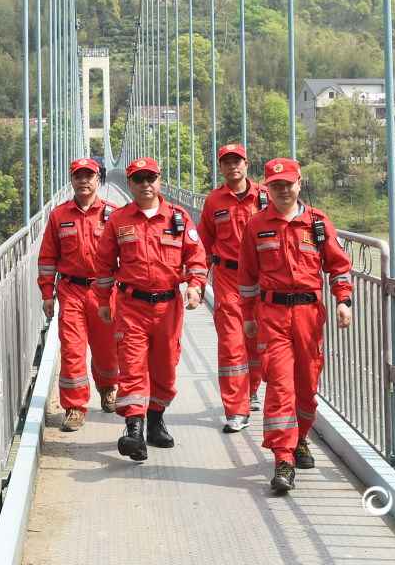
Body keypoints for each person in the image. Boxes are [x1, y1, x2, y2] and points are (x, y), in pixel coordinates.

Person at [238, 157, 353, 491]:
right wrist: (247, 316)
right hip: (272, 316)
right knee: (280, 387)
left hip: (309, 316)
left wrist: (343, 300)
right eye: (276, 186)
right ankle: (283, 458)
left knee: (306, 386)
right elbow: (246, 277)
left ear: (299, 183)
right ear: (267, 189)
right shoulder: (256, 226)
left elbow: (338, 265)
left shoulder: (317, 223)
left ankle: (301, 437)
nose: (283, 190)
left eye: (288, 184)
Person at [94, 157, 208, 461]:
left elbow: (196, 257)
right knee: (131, 366)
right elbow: (104, 265)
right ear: (128, 184)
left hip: (169, 306)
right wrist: (104, 300)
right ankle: (134, 429)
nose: (146, 184)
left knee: (165, 368)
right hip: (131, 305)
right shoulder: (118, 220)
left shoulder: (179, 218)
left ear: (159, 181)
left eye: (151, 178)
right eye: (139, 179)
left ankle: (156, 419)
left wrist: (195, 284)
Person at [37, 158, 119, 432]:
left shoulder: (114, 214)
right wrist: (47, 292)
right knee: (72, 349)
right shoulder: (58, 216)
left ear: (99, 180)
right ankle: (74, 407)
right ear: (71, 181)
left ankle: (108, 388)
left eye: (89, 175)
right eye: (78, 176)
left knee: (107, 350)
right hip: (70, 290)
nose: (83, 180)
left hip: (104, 292)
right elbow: (48, 256)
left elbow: (127, 256)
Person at [198, 144, 269, 433]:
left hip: (264, 281)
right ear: (221, 167)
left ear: (246, 164)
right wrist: (199, 281)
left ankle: (251, 389)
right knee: (231, 345)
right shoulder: (214, 201)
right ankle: (236, 410)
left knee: (257, 343)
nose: (232, 167)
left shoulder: (266, 196)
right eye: (226, 162)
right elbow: (202, 245)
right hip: (228, 279)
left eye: (236, 161)